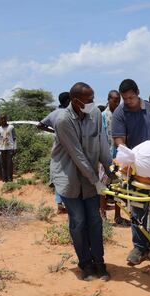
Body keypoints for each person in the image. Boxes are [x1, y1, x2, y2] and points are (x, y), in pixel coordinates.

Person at [51, 82, 113, 281]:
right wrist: (96, 180)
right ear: (76, 101)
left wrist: (112, 170)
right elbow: (77, 155)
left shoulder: (95, 115)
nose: (93, 103)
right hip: (69, 177)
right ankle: (85, 264)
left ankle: (99, 262)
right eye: (89, 100)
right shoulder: (63, 120)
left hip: (90, 178)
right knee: (78, 222)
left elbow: (102, 143)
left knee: (95, 220)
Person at [112, 79, 150, 266]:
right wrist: (130, 157)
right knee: (137, 207)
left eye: (131, 97)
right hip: (135, 168)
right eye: (125, 98)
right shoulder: (120, 113)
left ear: (138, 93)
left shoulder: (149, 109)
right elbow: (119, 140)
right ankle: (139, 247)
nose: (128, 101)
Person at [37, 91, 70, 214]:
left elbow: (39, 125)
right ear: (67, 101)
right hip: (69, 147)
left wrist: (53, 131)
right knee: (68, 174)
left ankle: (59, 203)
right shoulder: (69, 113)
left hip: (57, 147)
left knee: (58, 173)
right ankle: (67, 203)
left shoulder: (53, 113)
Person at [101, 90, 130, 225]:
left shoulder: (121, 115)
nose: (117, 103)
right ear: (108, 99)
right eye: (114, 100)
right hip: (105, 157)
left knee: (119, 188)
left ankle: (118, 216)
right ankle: (103, 215)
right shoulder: (103, 116)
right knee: (102, 187)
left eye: (119, 100)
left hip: (118, 157)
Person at [0, 115, 17, 182]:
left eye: (4, 119)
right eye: (1, 119)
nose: (3, 120)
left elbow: (14, 138)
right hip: (2, 148)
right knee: (3, 164)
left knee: (9, 164)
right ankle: (4, 179)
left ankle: (10, 179)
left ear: (6, 119)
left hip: (10, 148)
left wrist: (15, 147)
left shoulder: (11, 127)